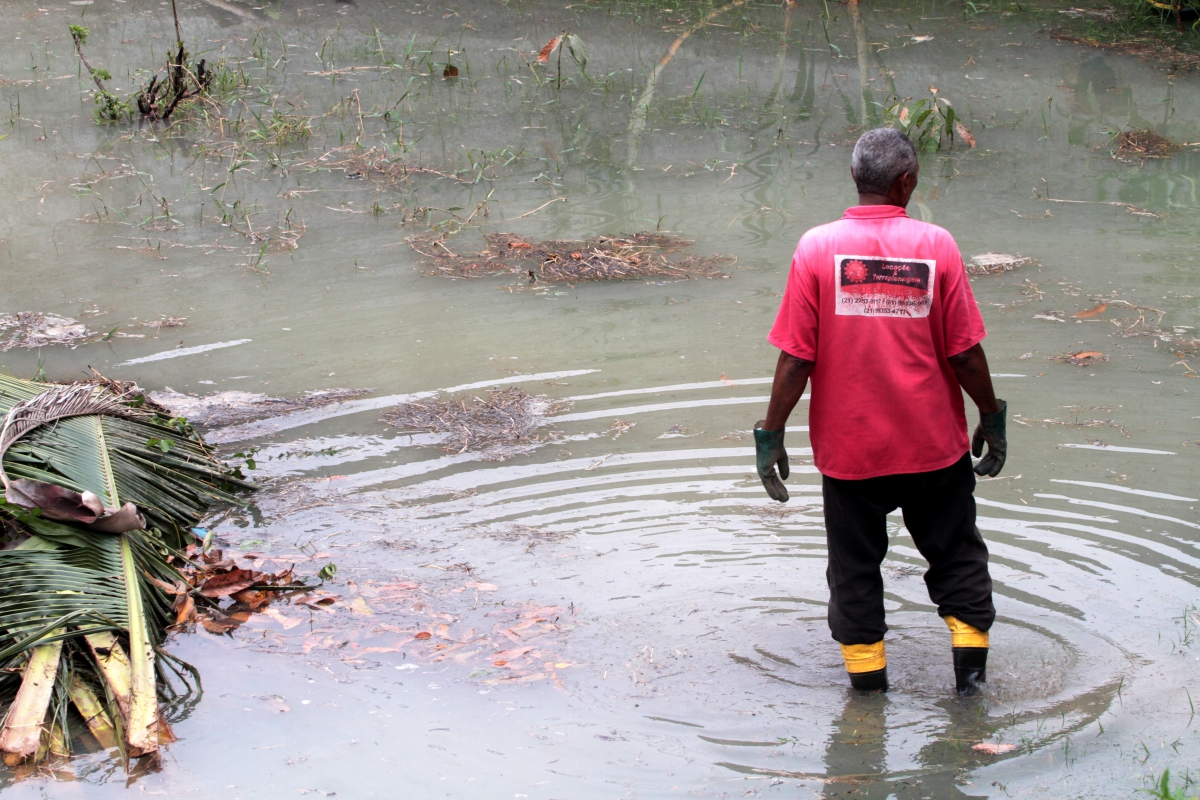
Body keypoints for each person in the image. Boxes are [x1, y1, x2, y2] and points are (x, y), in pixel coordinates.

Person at [754, 127, 1007, 697]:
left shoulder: (816, 248)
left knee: (854, 572)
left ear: (854, 178)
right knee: (958, 559)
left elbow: (796, 359)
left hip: (851, 454)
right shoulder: (937, 245)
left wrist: (771, 432)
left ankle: (867, 707)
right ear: (908, 180)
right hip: (933, 449)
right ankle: (970, 693)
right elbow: (964, 351)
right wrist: (990, 416)